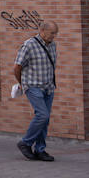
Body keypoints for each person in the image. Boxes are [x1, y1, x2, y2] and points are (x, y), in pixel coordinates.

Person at [13, 21, 58, 162]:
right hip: (33, 86)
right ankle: (25, 143)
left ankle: (40, 150)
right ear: (42, 31)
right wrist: (22, 83)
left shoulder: (53, 45)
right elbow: (17, 67)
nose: (54, 36)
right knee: (42, 115)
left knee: (45, 120)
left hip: (48, 87)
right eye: (52, 33)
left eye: (55, 33)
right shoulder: (29, 45)